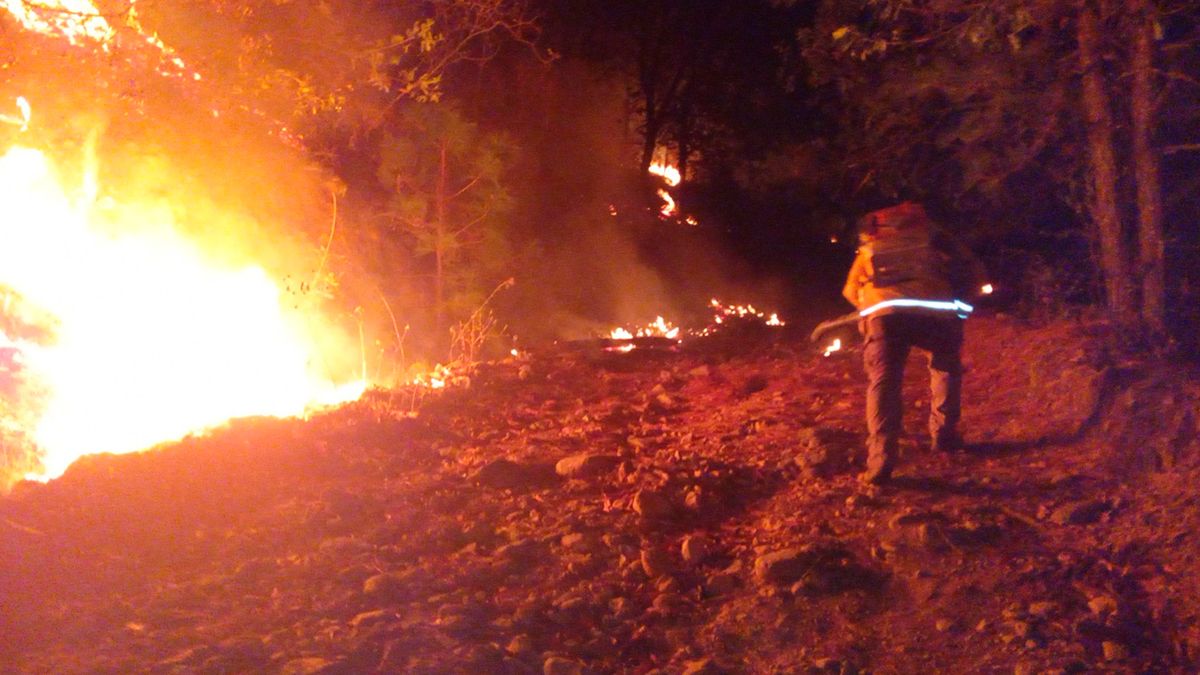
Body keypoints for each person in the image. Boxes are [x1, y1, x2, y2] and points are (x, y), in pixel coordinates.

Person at [841, 202, 985, 485]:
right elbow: (972, 271)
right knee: (945, 368)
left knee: (884, 381)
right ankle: (944, 435)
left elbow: (850, 290)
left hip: (886, 317)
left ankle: (881, 457)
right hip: (936, 314)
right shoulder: (935, 239)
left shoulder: (871, 247)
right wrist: (962, 309)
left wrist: (869, 310)